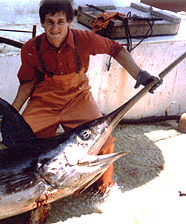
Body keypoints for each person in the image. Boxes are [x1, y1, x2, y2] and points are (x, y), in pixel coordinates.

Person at [11, 0, 161, 193]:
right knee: (24, 142)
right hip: (44, 101)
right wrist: (12, 112)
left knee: (104, 142)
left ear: (69, 22)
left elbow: (115, 49)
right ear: (42, 23)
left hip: (78, 98)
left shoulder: (84, 39)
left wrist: (141, 75)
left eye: (60, 21)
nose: (55, 28)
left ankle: (105, 187)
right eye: (50, 22)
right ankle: (28, 190)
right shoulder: (31, 48)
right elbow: (27, 83)